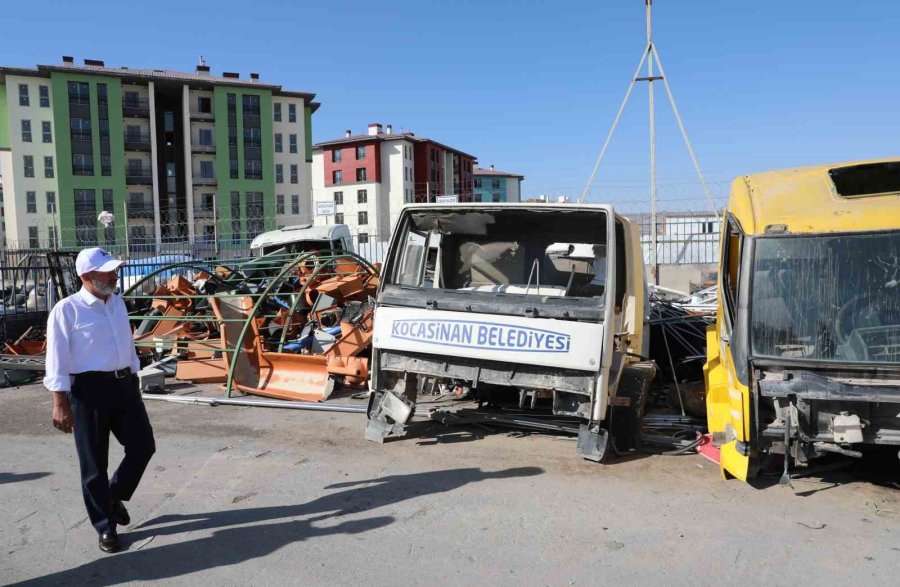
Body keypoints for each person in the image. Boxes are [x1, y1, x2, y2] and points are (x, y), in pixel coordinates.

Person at [44, 247, 155, 553]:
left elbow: (126, 343)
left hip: (124, 386)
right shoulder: (67, 310)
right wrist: (59, 402)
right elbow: (56, 359)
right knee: (94, 464)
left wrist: (135, 375)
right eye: (107, 271)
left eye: (114, 269)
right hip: (88, 392)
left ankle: (113, 495)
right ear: (87, 276)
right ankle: (105, 527)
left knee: (143, 446)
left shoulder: (117, 303)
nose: (114, 275)